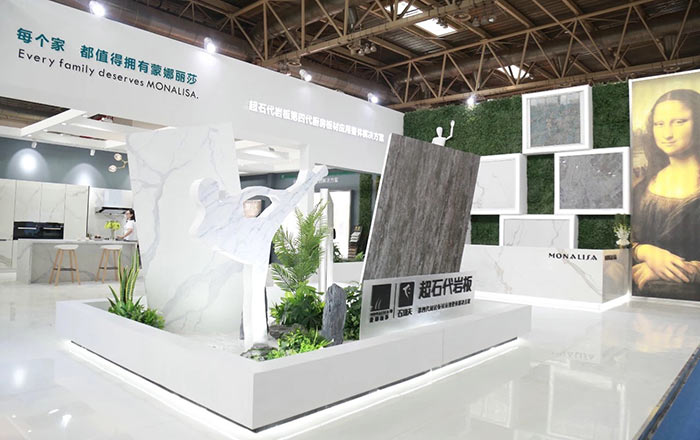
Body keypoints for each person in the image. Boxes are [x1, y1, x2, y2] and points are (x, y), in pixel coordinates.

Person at [632, 89, 700, 297]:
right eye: (659, 124)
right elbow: (623, 239)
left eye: (679, 122)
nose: (667, 134)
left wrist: (681, 271)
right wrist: (646, 252)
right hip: (642, 303)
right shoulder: (642, 187)